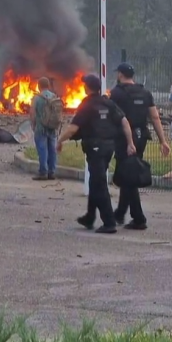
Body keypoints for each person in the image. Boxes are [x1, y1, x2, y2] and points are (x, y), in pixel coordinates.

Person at [57, 74, 136, 234]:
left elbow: (73, 128)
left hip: (95, 148)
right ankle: (90, 216)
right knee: (95, 182)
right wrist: (130, 143)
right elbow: (124, 122)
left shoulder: (87, 105)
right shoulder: (108, 102)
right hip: (109, 147)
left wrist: (59, 141)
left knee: (98, 184)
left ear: (87, 87)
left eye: (84, 84)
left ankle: (109, 222)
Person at [107, 62, 171, 230]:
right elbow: (155, 117)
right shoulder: (145, 92)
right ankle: (120, 213)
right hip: (141, 136)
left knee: (128, 176)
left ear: (120, 74)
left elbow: (111, 117)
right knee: (129, 173)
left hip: (124, 138)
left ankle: (138, 218)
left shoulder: (116, 93)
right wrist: (162, 140)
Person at [30, 77, 59, 180]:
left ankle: (43, 172)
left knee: (42, 150)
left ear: (38, 86)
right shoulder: (54, 96)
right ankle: (52, 172)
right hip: (52, 128)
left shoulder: (36, 98)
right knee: (52, 150)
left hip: (41, 128)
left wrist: (33, 124)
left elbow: (32, 113)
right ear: (49, 85)